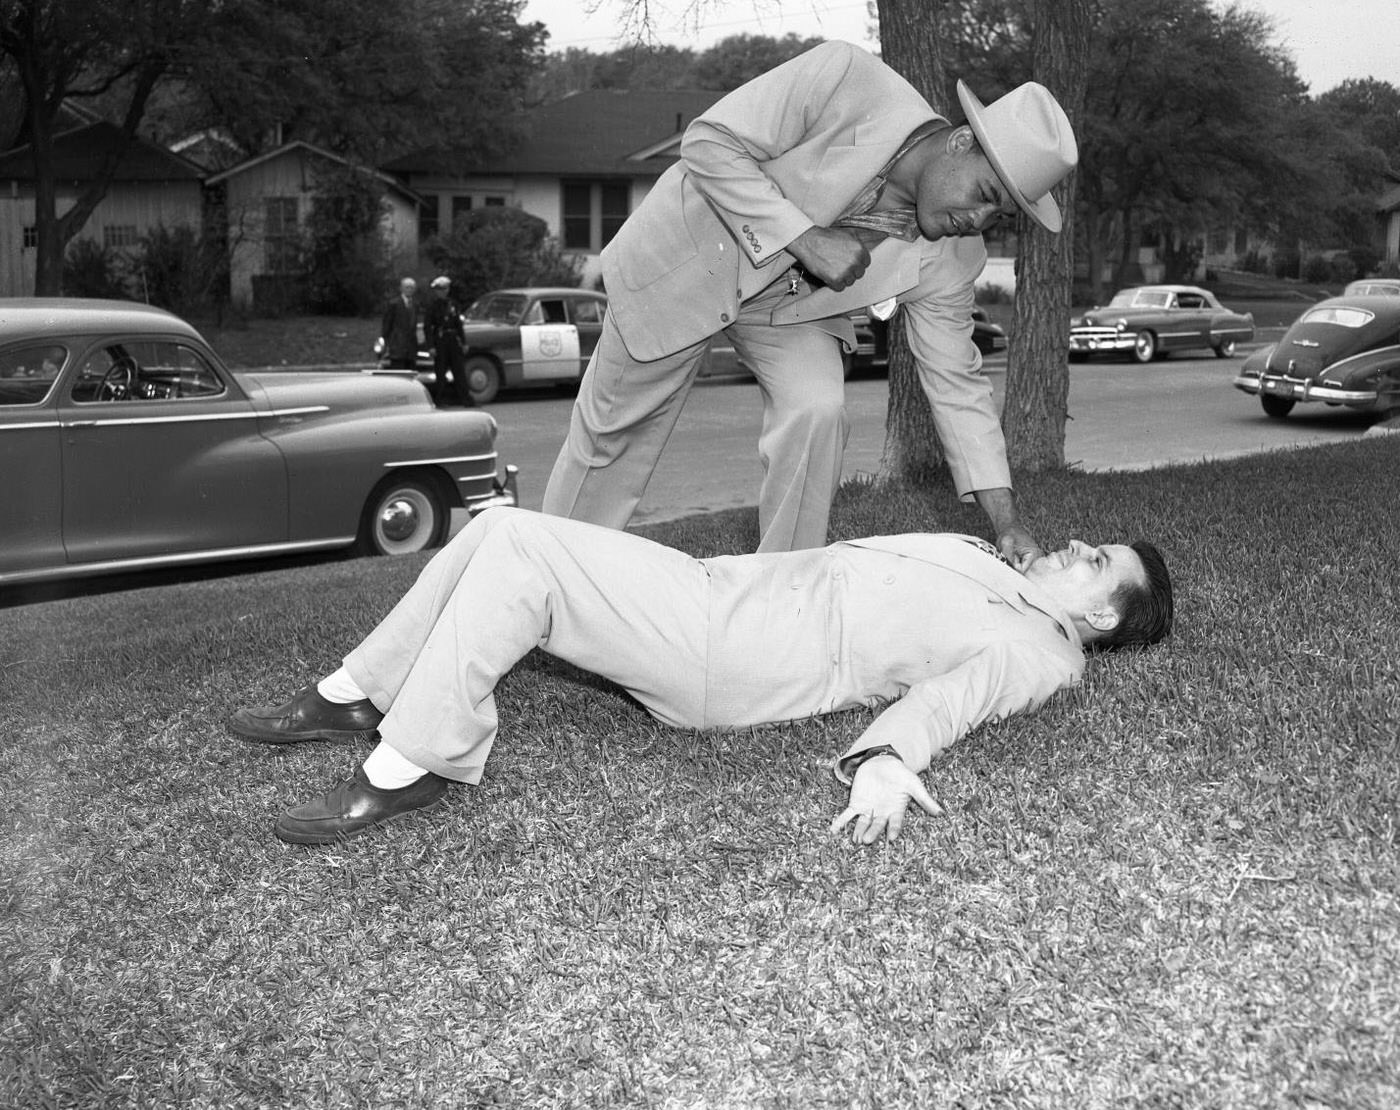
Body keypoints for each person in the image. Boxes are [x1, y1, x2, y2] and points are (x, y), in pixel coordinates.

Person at [230, 508, 1173, 847]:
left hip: (737, 652)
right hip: (723, 594)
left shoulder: (1042, 653)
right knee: (500, 526)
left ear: (1099, 619)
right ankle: (362, 692)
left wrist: (888, 759)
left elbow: (952, 701)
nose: (1079, 548)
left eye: (1098, 565)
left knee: (524, 553)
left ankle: (413, 763)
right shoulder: (1003, 573)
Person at [541, 41, 1078, 562]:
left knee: (817, 410)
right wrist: (805, 239)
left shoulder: (956, 257)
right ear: (961, 142)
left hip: (793, 314)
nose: (978, 221)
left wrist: (1006, 522)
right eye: (985, 196)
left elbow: (958, 386)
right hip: (693, 255)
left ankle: (784, 587)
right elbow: (708, 142)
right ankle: (550, 586)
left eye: (998, 216)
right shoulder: (844, 77)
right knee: (610, 445)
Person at [423, 275, 471, 405]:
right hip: (440, 339)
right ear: (436, 291)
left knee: (459, 370)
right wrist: (430, 346)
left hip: (453, 339)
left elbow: (458, 325)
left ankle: (466, 399)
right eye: (440, 289)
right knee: (441, 371)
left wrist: (464, 342)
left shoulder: (453, 304)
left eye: (445, 289)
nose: (443, 292)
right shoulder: (432, 305)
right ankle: (440, 399)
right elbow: (427, 327)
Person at [376, 277, 419, 370]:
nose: (409, 290)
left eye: (411, 287)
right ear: (401, 288)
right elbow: (387, 325)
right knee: (398, 371)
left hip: (411, 348)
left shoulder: (415, 304)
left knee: (411, 372)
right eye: (407, 287)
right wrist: (386, 343)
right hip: (397, 347)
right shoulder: (393, 304)